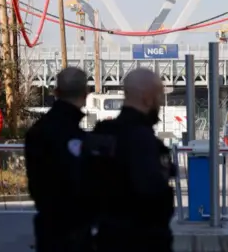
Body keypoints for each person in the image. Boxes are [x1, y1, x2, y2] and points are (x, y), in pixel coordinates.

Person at [89, 68, 174, 252]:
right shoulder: (144, 141)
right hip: (141, 241)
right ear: (147, 98)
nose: (160, 102)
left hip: (106, 239)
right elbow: (153, 198)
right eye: (159, 96)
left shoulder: (101, 134)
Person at [25, 67, 92, 252]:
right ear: (86, 94)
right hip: (77, 230)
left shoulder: (37, 131)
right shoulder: (81, 137)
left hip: (49, 228)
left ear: (56, 92)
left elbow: (36, 185)